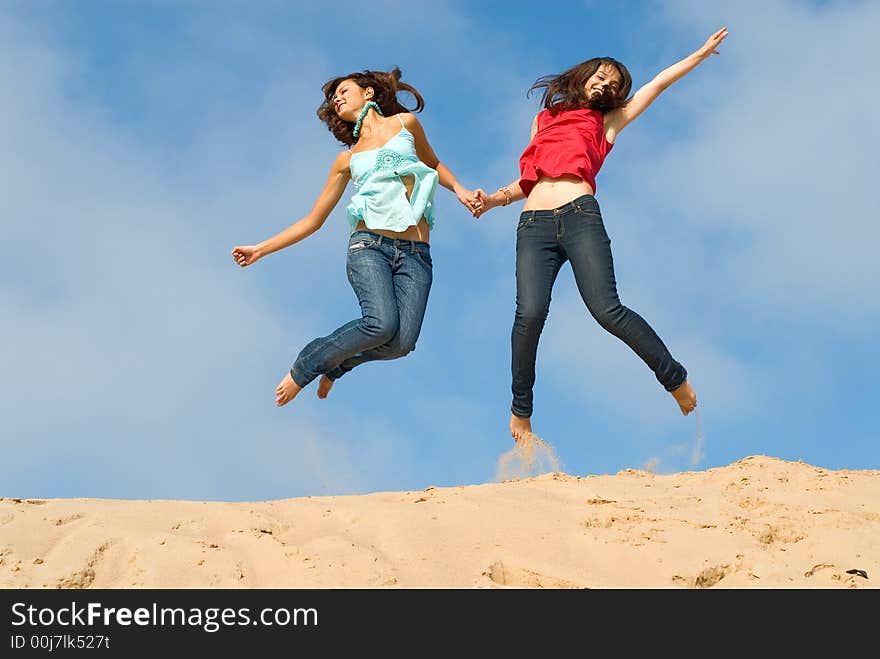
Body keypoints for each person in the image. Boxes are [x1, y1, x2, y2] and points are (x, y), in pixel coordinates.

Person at [473, 28, 728, 441]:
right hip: (533, 224)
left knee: (607, 310)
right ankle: (521, 411)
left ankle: (674, 378)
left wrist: (698, 54)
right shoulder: (543, 119)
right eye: (601, 76)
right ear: (585, 75)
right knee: (530, 314)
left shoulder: (608, 120)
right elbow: (530, 178)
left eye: (613, 84)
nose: (605, 84)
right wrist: (493, 200)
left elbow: (658, 84)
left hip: (579, 215)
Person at [232, 67, 480, 406]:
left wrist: (462, 191)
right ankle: (307, 364)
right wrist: (261, 248)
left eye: (343, 90)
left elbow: (433, 164)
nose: (336, 98)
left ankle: (337, 365)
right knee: (380, 325)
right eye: (332, 98)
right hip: (370, 247)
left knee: (402, 342)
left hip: (416, 253)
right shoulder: (346, 159)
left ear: (369, 93)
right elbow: (313, 219)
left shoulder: (405, 125)